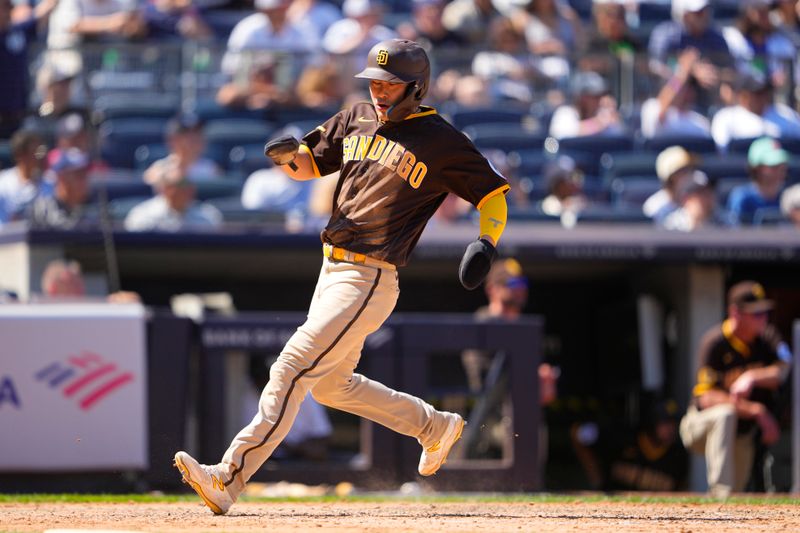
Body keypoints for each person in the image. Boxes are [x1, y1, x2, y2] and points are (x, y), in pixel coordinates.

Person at [174, 39, 510, 515]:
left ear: (416, 88)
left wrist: (487, 241)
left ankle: (229, 476)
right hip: (331, 268)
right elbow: (309, 165)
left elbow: (493, 193)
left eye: (388, 84)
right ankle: (434, 426)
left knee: (289, 368)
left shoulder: (441, 139)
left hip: (370, 276)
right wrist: (289, 158)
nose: (377, 90)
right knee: (332, 385)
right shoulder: (355, 116)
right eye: (373, 81)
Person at [679, 281, 791, 498]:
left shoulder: (766, 338)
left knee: (735, 499)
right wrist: (756, 410)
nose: (763, 318)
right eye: (756, 314)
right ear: (735, 313)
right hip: (700, 426)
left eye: (764, 312)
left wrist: (751, 377)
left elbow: (784, 370)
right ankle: (718, 492)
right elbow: (706, 397)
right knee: (726, 413)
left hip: (741, 436)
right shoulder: (714, 342)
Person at [0, 0, 59, 138]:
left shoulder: (18, 32)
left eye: (9, 6)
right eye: (4, 7)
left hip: (17, 111)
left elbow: (40, 15)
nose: (8, 11)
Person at [710, 68, 800, 151]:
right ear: (742, 95)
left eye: (764, 91)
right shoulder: (725, 118)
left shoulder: (786, 115)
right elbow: (721, 153)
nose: (762, 97)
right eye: (756, 93)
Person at [125, 159, 222, 232]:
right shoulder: (143, 214)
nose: (181, 190)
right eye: (174, 185)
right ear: (162, 189)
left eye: (185, 184)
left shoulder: (208, 216)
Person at [639, 48, 712, 139]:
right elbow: (661, 113)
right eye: (683, 85)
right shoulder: (651, 107)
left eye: (689, 86)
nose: (684, 90)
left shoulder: (701, 123)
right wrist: (682, 73)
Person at [26, 147, 94, 229]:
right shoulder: (43, 209)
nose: (85, 180)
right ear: (62, 178)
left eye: (85, 174)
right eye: (79, 175)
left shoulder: (87, 210)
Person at [143, 114, 221, 183]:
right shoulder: (159, 169)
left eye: (197, 134)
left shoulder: (211, 170)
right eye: (186, 135)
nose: (193, 139)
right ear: (172, 139)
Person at [726, 136, 788, 225]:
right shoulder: (742, 197)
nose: (780, 169)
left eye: (782, 165)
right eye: (773, 165)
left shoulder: (788, 198)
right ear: (756, 168)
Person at [548, 71, 624, 139]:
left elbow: (620, 137)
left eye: (601, 95)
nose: (599, 100)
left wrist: (615, 123)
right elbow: (563, 136)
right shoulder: (565, 112)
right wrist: (598, 123)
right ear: (580, 97)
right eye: (594, 96)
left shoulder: (603, 114)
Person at [0, 129, 51, 224]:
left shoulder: (50, 183)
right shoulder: (3, 183)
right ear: (20, 155)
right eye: (36, 152)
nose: (40, 157)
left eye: (42, 152)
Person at [642, 146, 697, 222]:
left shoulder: (697, 202)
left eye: (689, 169)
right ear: (671, 177)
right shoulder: (654, 207)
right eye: (683, 171)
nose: (689, 174)